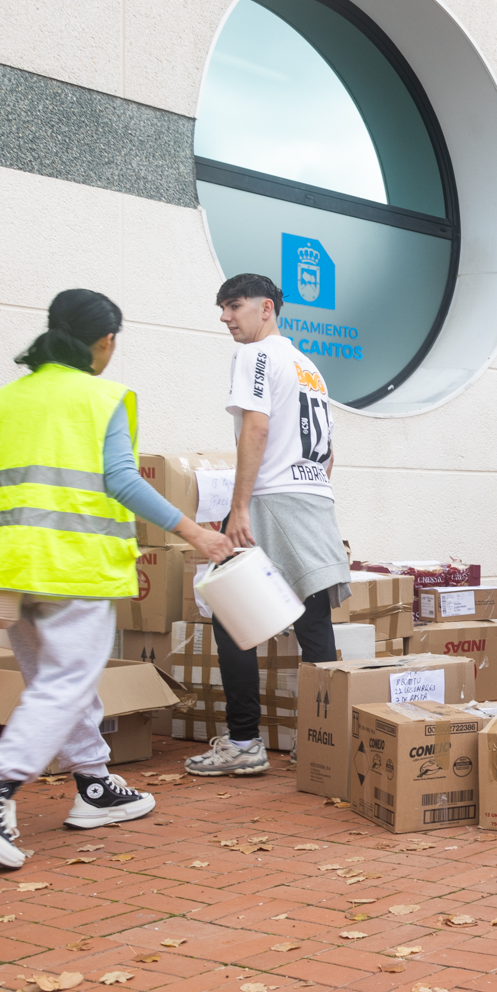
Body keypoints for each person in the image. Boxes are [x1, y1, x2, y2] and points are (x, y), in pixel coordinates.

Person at [0, 291, 232, 868]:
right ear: (104, 341)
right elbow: (121, 480)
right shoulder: (100, 396)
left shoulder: (6, 400)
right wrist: (196, 532)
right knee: (66, 682)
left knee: (55, 680)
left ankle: (94, 785)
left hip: (6, 567)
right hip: (70, 565)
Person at [184, 274, 349, 777]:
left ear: (267, 309)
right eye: (222, 308)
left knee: (234, 618)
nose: (225, 317)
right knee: (314, 624)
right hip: (314, 498)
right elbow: (328, 454)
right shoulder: (309, 367)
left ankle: (243, 743)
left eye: (234, 306)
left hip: (273, 500)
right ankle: (323, 741)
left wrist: (239, 508)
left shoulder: (257, 356)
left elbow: (255, 427)